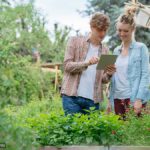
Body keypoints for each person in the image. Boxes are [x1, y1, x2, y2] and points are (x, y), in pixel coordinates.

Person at [61, 12, 116, 115]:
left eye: (105, 30)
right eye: (99, 30)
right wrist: (87, 63)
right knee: (73, 130)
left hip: (92, 101)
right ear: (91, 27)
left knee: (91, 131)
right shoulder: (74, 41)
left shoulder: (105, 50)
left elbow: (102, 80)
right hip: (72, 98)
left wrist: (109, 73)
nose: (103, 34)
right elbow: (67, 66)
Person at [107, 7, 150, 118]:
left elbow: (146, 75)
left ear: (132, 30)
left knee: (134, 133)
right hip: (117, 98)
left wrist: (139, 99)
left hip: (133, 98)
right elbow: (113, 78)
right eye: (120, 30)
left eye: (126, 31)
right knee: (119, 133)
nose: (122, 34)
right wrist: (109, 100)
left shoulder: (141, 48)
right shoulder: (116, 50)